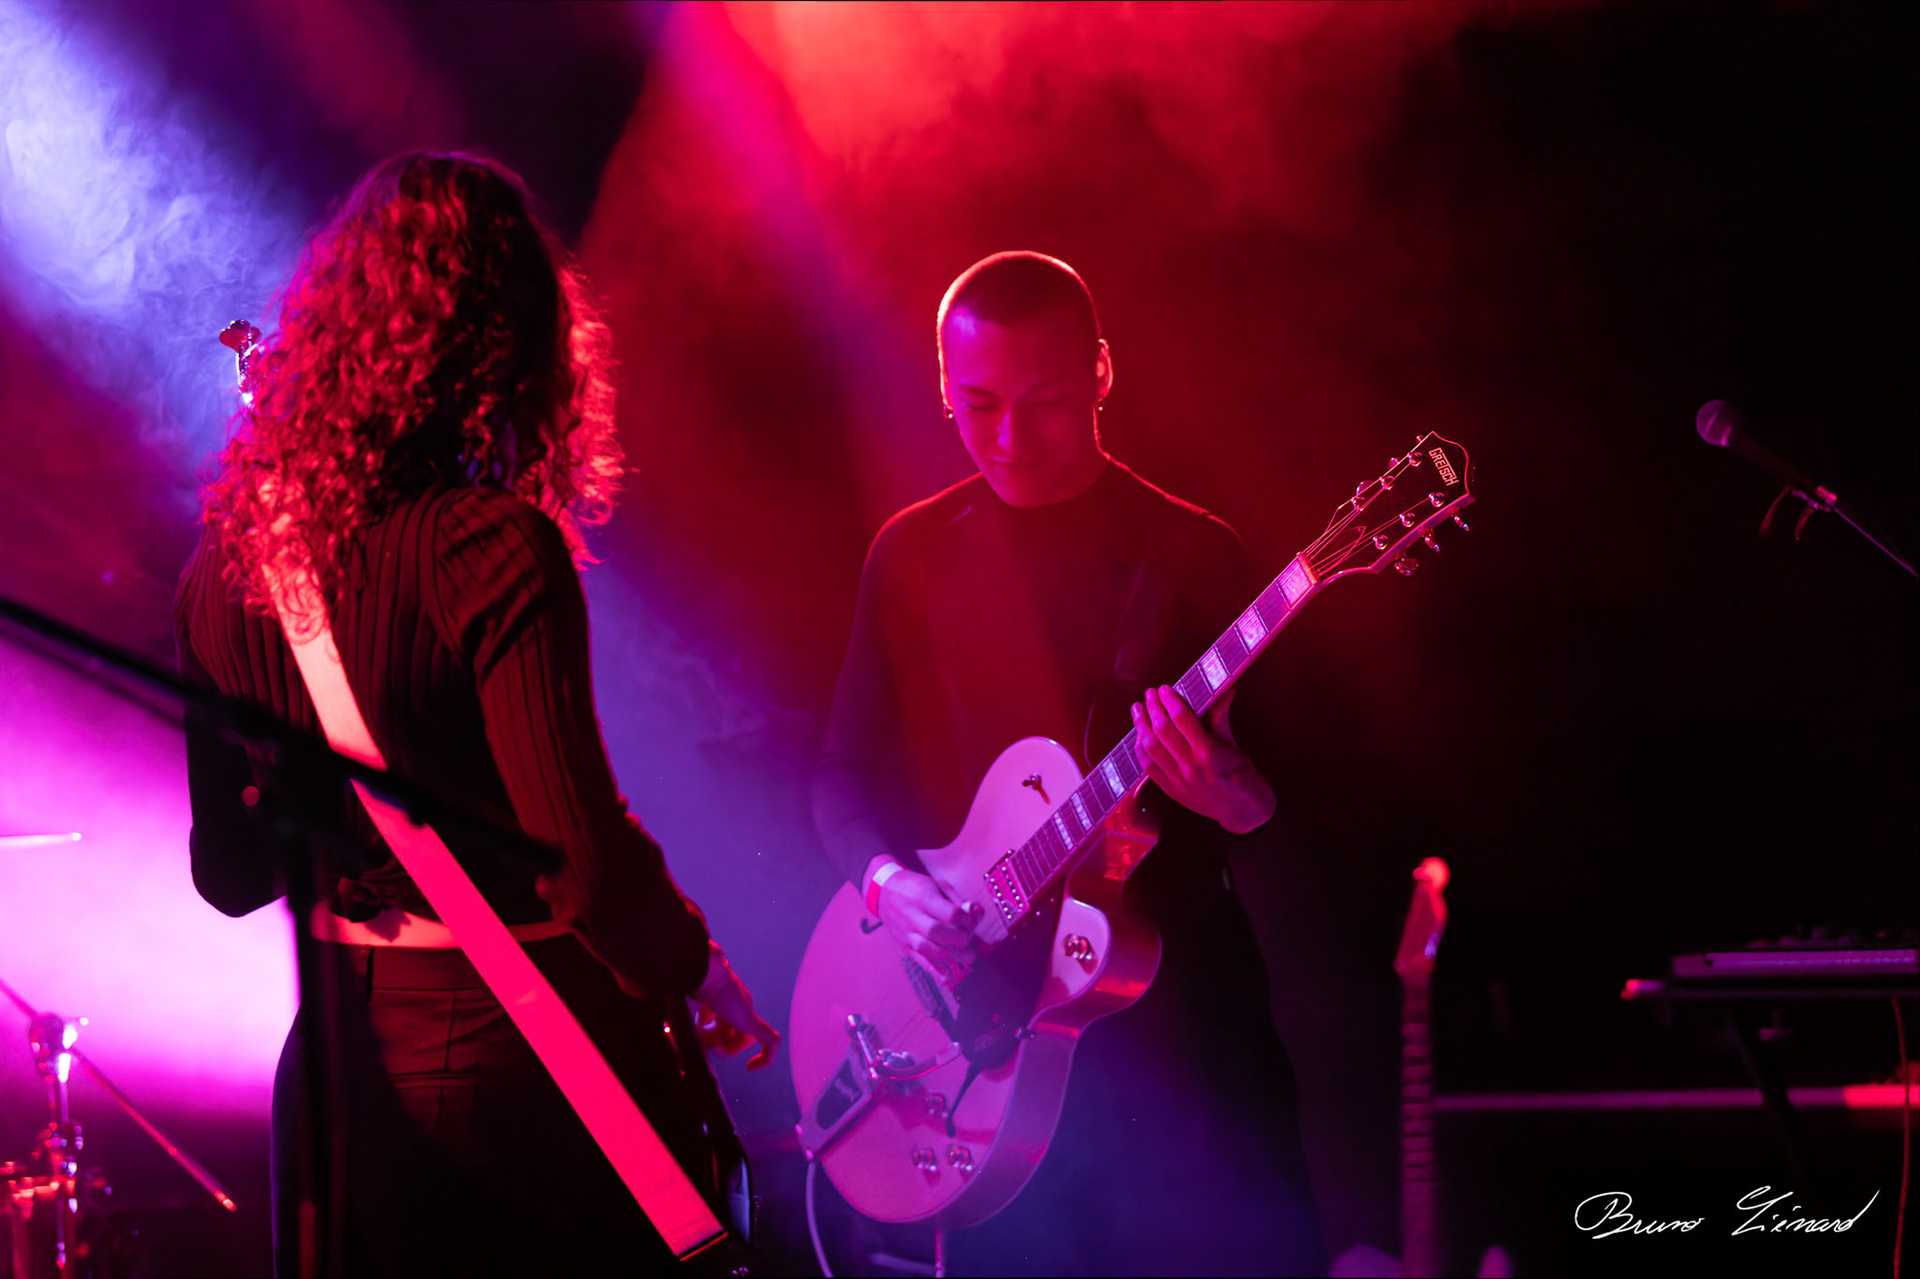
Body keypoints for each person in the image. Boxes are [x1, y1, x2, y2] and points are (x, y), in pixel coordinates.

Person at [175, 153, 778, 1277]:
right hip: (517, 1066)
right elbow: (583, 866)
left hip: (333, 1087)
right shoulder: (491, 545)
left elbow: (230, 876)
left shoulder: (224, 569)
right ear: (511, 345)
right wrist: (692, 962)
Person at [812, 251, 1325, 1276]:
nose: (1009, 438)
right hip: (989, 1036)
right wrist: (888, 887)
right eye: (979, 404)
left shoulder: (1196, 554)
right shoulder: (911, 552)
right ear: (943, 387)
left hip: (1183, 1047)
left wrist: (1242, 800)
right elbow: (838, 777)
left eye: (1044, 402)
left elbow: (1318, 808)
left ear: (1099, 372)